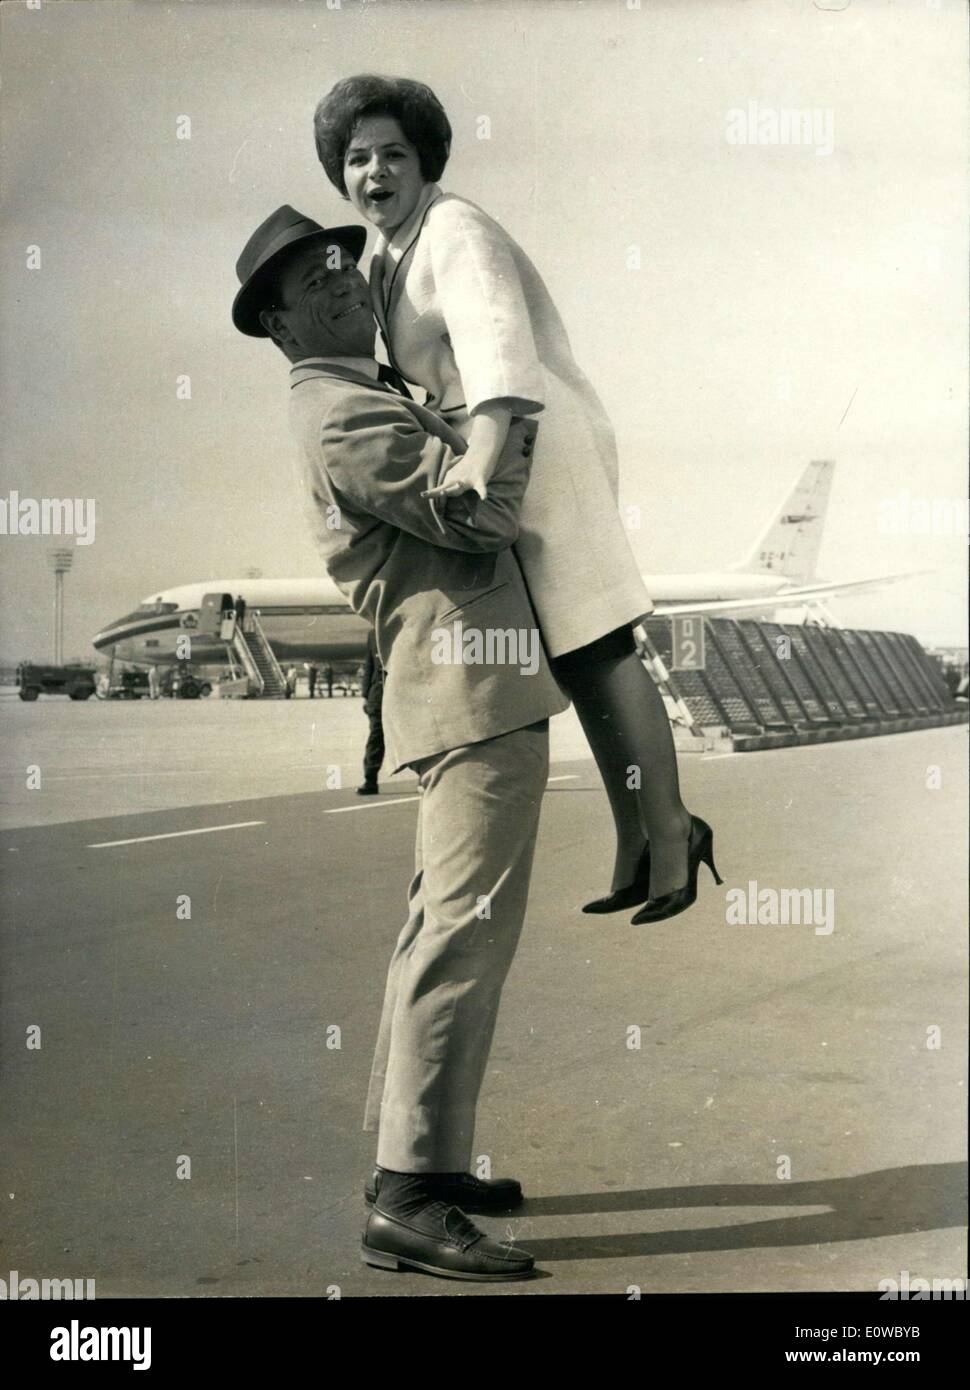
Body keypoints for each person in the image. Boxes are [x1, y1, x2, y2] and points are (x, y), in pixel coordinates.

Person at [233, 205, 571, 1280]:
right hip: (466, 687)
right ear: (278, 325)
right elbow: (476, 517)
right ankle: (412, 1196)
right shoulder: (342, 413)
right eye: (310, 284)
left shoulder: (366, 392)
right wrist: (507, 414)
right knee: (459, 939)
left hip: (465, 684)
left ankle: (412, 1163)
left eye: (341, 265)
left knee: (442, 928)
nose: (340, 281)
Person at [313, 75, 719, 924]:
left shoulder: (455, 227)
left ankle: (671, 827)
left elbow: (499, 347)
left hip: (535, 442)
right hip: (488, 455)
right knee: (575, 656)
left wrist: (483, 455)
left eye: (395, 154)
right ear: (338, 172)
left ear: (427, 163)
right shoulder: (387, 254)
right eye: (357, 158)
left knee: (599, 643)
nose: (376, 172)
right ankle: (638, 837)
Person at [357, 629, 384, 794]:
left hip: (401, 694)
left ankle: (423, 778)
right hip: (378, 696)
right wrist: (366, 694)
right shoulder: (373, 633)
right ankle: (370, 780)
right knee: (375, 739)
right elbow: (369, 665)